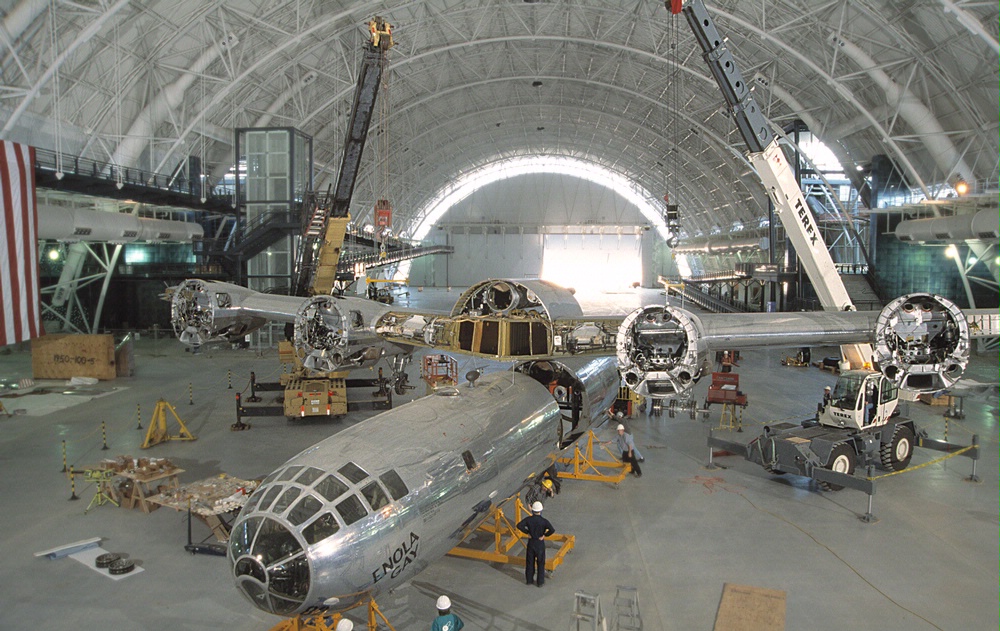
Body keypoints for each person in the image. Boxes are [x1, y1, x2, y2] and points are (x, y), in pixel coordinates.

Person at [516, 501, 555, 587]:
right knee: (541, 563)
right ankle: (540, 582)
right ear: (541, 510)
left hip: (531, 543)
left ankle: (529, 580)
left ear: (532, 510)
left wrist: (527, 532)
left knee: (530, 562)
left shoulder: (528, 520)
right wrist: (544, 535)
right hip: (540, 543)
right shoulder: (544, 521)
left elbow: (519, 525)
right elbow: (552, 530)